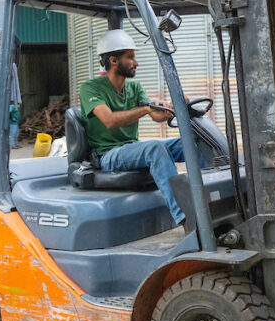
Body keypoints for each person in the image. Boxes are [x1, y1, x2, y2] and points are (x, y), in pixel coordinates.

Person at [79, 29, 201, 228]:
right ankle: (187, 219)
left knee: (193, 143)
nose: (136, 63)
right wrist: (145, 109)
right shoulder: (91, 88)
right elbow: (109, 120)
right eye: (130, 58)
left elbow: (155, 114)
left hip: (131, 150)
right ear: (114, 60)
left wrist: (171, 107)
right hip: (108, 155)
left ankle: (211, 203)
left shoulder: (134, 88)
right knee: (154, 148)